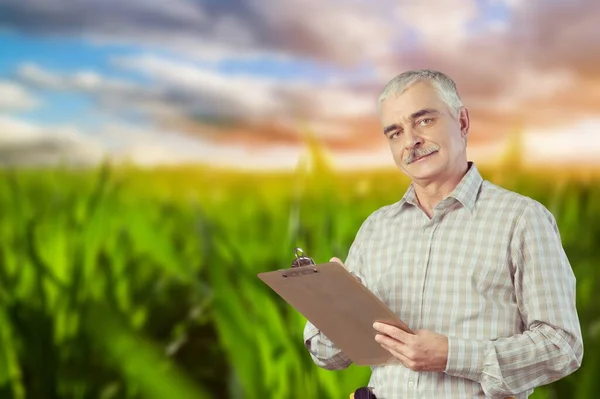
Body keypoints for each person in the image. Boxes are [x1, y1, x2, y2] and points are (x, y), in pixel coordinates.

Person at [303, 69, 584, 398]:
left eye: (424, 121)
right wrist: (336, 308)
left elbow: (562, 346)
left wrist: (453, 356)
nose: (410, 141)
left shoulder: (521, 219)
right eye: (395, 133)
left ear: (462, 122)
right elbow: (328, 357)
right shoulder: (376, 228)